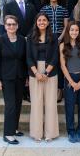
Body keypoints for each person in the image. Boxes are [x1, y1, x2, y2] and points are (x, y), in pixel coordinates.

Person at [0, 15, 27, 145]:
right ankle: (8, 133)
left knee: (18, 104)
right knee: (10, 106)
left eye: (13, 24)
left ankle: (14, 128)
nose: (11, 26)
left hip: (20, 77)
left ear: (17, 26)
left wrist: (27, 77)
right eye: (9, 24)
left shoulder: (22, 40)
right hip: (6, 78)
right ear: (5, 26)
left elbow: (24, 60)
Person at [26, 12, 59, 142]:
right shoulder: (30, 37)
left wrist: (46, 73)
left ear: (48, 22)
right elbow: (28, 57)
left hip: (50, 71)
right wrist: (36, 73)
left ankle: (50, 134)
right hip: (35, 72)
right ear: (36, 22)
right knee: (36, 103)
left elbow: (55, 56)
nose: (42, 22)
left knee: (51, 103)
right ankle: (36, 133)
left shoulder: (54, 37)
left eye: (44, 20)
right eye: (39, 20)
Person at [60, 21, 80, 143]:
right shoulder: (62, 46)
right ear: (68, 31)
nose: (74, 32)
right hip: (69, 78)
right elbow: (63, 66)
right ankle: (71, 131)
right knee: (69, 107)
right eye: (72, 30)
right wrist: (71, 82)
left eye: (76, 30)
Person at [40, 0, 69, 102]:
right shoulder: (44, 9)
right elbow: (41, 24)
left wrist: (60, 38)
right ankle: (48, 90)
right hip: (47, 38)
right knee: (49, 62)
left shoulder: (63, 9)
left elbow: (66, 26)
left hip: (61, 38)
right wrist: (49, 37)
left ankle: (59, 91)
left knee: (61, 64)